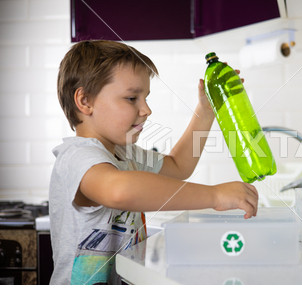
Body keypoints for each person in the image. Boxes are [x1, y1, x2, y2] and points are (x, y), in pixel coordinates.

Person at [49, 40, 258, 285]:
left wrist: (206, 110)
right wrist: (215, 196)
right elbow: (119, 190)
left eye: (145, 97)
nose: (146, 109)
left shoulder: (127, 154)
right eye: (131, 98)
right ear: (85, 101)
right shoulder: (76, 156)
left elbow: (179, 166)